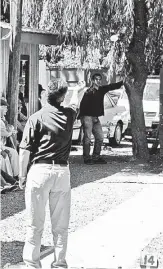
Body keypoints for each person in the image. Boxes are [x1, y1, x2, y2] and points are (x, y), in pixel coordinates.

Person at [19, 79, 86, 268]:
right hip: (61, 172)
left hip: (39, 170)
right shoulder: (69, 115)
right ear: (62, 97)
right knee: (60, 225)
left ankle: (32, 264)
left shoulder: (36, 117)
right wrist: (78, 90)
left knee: (34, 224)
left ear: (46, 94)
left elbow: (24, 151)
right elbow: (75, 102)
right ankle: (59, 263)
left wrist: (22, 176)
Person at [79, 73, 124, 164]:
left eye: (100, 79)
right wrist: (81, 118)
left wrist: (123, 82)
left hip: (95, 118)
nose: (98, 81)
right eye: (96, 79)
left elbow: (112, 86)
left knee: (100, 137)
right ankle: (87, 158)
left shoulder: (101, 90)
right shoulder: (88, 92)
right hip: (87, 117)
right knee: (87, 138)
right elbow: (82, 106)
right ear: (92, 80)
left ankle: (96, 157)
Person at [0, 98, 19, 178]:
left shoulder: (2, 119)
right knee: (5, 157)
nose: (6, 110)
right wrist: (11, 132)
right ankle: (9, 178)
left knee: (14, 152)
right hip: (1, 147)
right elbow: (6, 133)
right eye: (5, 108)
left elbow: (8, 128)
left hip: (1, 145)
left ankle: (16, 176)